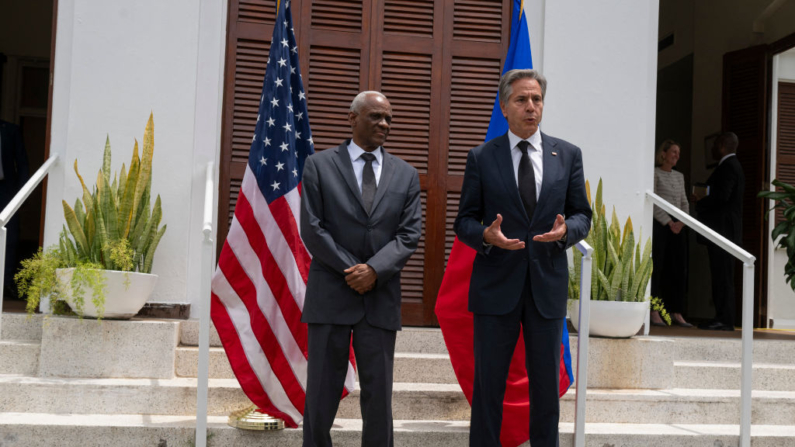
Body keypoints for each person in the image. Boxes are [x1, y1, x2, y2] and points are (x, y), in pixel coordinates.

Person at [454, 69, 591, 447]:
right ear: (504, 107)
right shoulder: (482, 157)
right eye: (521, 100)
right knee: (489, 388)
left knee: (546, 391)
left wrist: (567, 232)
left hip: (546, 289)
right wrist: (485, 235)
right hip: (496, 288)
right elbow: (463, 220)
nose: (531, 107)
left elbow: (583, 215)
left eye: (537, 100)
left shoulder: (567, 155)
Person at [300, 91, 422, 446]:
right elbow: (312, 227)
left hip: (380, 298)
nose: (384, 124)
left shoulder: (407, 174)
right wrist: (351, 270)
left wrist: (374, 270)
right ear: (351, 118)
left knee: (379, 397)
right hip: (330, 295)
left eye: (388, 119)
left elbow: (409, 234)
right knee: (321, 395)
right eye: (375, 116)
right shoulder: (318, 165)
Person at [693, 132, 744, 331]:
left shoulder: (728, 167)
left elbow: (722, 196)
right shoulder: (731, 166)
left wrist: (701, 199)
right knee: (721, 276)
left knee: (723, 277)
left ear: (722, 146)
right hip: (724, 232)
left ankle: (724, 319)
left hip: (724, 233)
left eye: (715, 145)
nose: (712, 149)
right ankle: (722, 317)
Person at [651, 140, 692, 327]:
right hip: (661, 227)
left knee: (678, 270)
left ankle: (676, 311)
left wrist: (681, 222)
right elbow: (653, 201)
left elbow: (684, 202)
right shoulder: (654, 173)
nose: (677, 155)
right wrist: (668, 222)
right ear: (664, 154)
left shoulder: (679, 176)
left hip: (679, 228)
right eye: (673, 152)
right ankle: (655, 311)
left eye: (678, 153)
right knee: (658, 269)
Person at [0, 120, 29, 298]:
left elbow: (23, 164)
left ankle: (6, 282)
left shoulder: (10, 130)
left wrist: (22, 193)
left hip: (6, 190)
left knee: (9, 237)